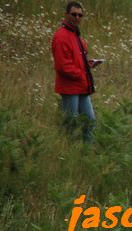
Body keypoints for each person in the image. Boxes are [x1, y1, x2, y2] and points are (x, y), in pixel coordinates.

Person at [51, 1, 100, 142]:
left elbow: (75, 61)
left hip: (81, 86)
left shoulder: (76, 36)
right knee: (70, 126)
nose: (77, 17)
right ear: (66, 15)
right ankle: (67, 153)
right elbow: (63, 66)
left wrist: (87, 64)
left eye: (80, 15)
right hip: (69, 88)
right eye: (74, 14)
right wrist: (82, 73)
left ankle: (86, 155)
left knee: (90, 122)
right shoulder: (61, 36)